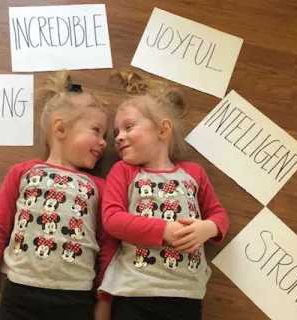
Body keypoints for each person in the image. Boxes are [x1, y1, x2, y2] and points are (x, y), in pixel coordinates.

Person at [0, 71, 115, 320]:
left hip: (76, 297)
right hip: (19, 293)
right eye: (96, 131)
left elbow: (108, 246)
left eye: (104, 136)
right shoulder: (23, 172)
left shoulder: (100, 186)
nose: (103, 142)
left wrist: (104, 299)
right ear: (60, 128)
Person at [99, 69, 230, 320]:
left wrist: (209, 229)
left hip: (186, 296)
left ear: (163, 129)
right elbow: (112, 219)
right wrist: (163, 231)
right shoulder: (124, 171)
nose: (120, 137)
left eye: (128, 127)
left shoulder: (194, 173)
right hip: (134, 292)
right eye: (117, 133)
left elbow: (218, 213)